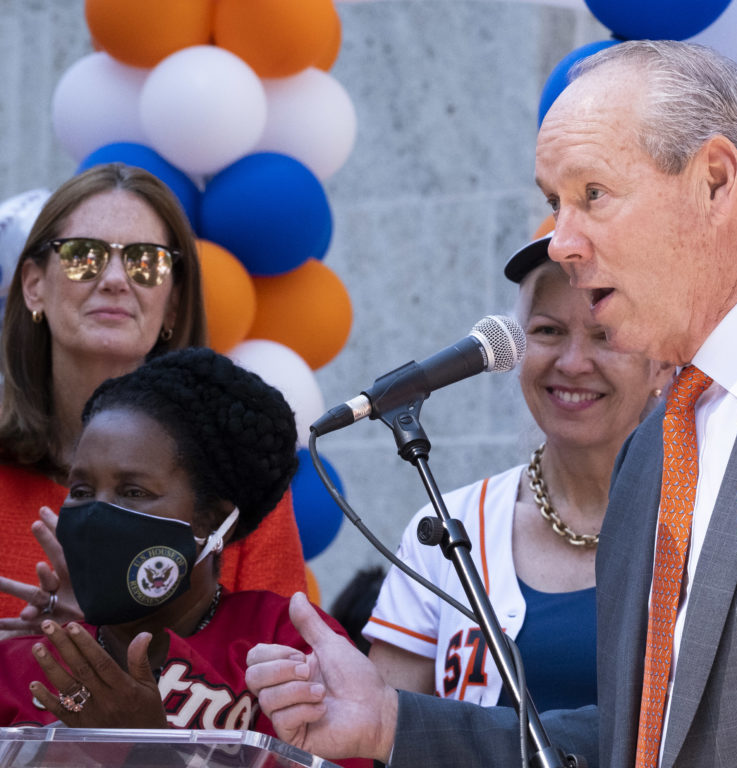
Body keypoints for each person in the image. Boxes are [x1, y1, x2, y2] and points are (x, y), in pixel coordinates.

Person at [245, 39, 737, 767]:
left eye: (593, 194)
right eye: (556, 201)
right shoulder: (657, 442)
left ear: (716, 180)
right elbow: (641, 740)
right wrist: (395, 722)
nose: (561, 241)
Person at [0, 347, 367, 766]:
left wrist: (145, 750)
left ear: (212, 522)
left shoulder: (286, 646)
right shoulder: (21, 666)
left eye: (133, 492)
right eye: (81, 492)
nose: (97, 514)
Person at [362, 238, 671, 709]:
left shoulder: (702, 519)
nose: (572, 363)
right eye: (548, 331)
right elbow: (385, 729)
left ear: (662, 365)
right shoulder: (447, 524)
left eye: (604, 334)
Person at [0, 163, 306, 631]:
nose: (117, 279)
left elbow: (283, 667)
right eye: (85, 255)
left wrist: (111, 639)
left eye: (146, 261)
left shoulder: (234, 474)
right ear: (33, 285)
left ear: (174, 302)